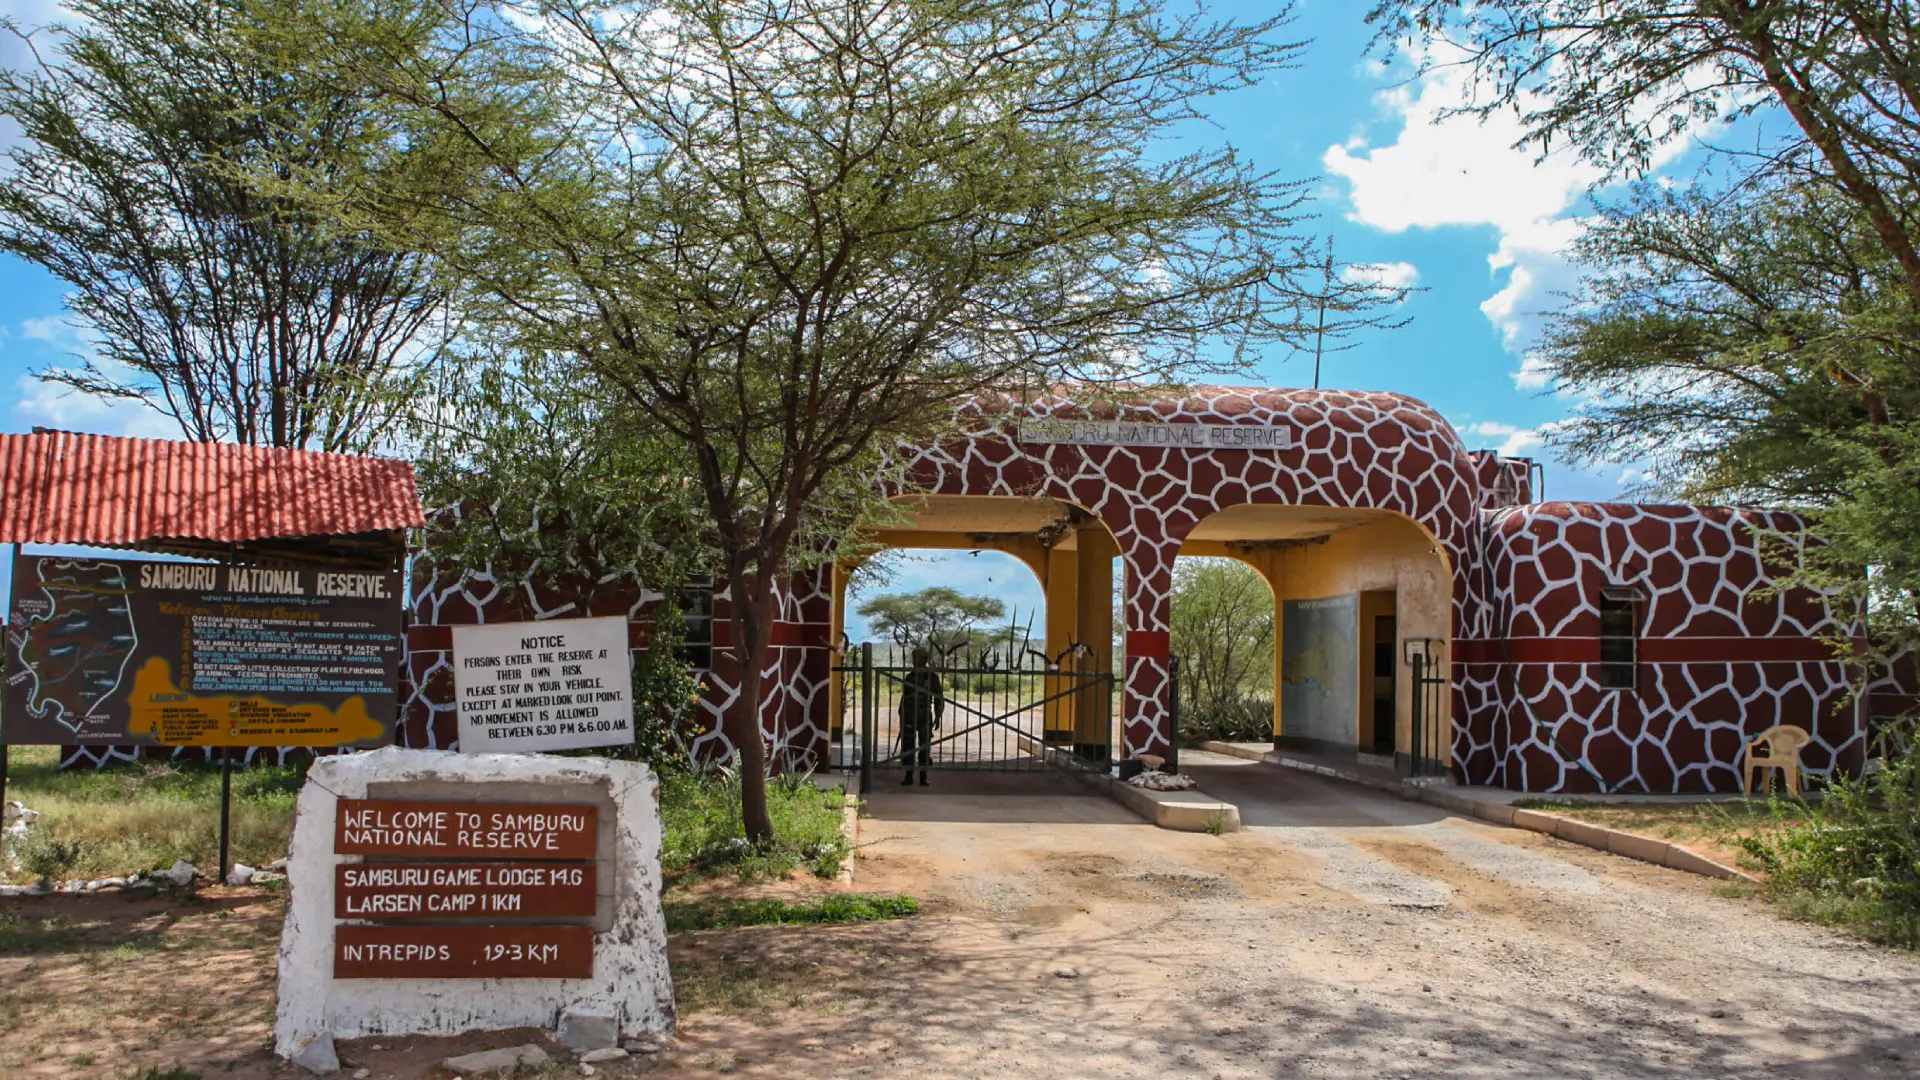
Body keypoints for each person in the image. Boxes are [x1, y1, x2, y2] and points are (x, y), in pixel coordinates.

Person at [897, 646, 945, 786]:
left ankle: (923, 776)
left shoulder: (932, 677)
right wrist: (901, 716)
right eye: (914, 658)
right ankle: (908, 775)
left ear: (924, 659)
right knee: (908, 745)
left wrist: (938, 715)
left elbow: (938, 697)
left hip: (924, 714)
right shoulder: (910, 676)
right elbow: (904, 698)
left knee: (924, 746)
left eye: (917, 657)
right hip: (909, 715)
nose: (914, 661)